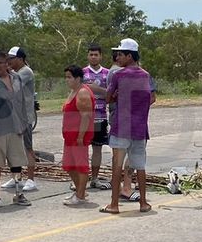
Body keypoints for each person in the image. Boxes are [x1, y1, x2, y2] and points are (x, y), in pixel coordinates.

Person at [102, 38, 154, 214]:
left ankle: (114, 204)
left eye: (121, 55)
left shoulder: (119, 75)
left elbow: (108, 98)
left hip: (122, 126)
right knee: (140, 166)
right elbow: (151, 98)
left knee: (117, 166)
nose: (118, 58)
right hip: (140, 127)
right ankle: (143, 203)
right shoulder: (145, 75)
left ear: (129, 56)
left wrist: (118, 97)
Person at [0, 49, 32, 209]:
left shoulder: (16, 78)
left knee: (17, 163)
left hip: (16, 127)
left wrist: (23, 123)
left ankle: (18, 193)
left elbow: (21, 101)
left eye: (1, 62)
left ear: (7, 63)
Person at [4, 46, 38, 192]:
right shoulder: (15, 72)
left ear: (20, 59)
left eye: (11, 59)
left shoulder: (25, 72)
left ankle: (31, 179)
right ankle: (16, 177)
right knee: (14, 148)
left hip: (24, 117)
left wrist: (6, 72)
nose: (9, 61)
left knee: (27, 147)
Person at [62, 65, 95, 206]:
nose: (67, 80)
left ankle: (80, 195)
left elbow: (86, 116)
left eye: (69, 77)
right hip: (69, 136)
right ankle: (80, 191)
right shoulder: (73, 91)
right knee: (69, 165)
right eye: (66, 77)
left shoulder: (82, 93)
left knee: (81, 165)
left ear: (78, 78)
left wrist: (81, 136)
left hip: (78, 136)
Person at [82, 44, 111, 190]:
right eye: (91, 54)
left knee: (97, 148)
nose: (93, 57)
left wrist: (95, 89)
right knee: (81, 148)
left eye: (96, 55)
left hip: (100, 116)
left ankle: (94, 178)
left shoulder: (108, 73)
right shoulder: (82, 73)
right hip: (83, 117)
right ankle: (80, 179)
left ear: (101, 56)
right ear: (88, 56)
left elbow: (110, 94)